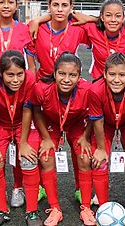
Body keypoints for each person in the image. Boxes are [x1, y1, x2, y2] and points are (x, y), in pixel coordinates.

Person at [29, 53, 96, 225]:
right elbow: (36, 110)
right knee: (45, 156)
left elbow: (95, 114)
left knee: (85, 155)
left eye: (72, 75)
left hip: (77, 122)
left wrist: (86, 136)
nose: (66, 79)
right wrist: (45, 137)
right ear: (54, 73)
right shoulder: (41, 88)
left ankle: (86, 207)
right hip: (51, 122)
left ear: (80, 77)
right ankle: (55, 208)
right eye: (62, 74)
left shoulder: (88, 90)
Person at [0, 49, 43, 225]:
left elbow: (27, 110)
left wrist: (22, 142)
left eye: (19, 74)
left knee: (28, 158)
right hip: (0, 124)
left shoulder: (30, 79)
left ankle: (31, 211)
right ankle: (1, 210)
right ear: (1, 73)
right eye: (10, 75)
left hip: (22, 123)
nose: (15, 80)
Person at [88, 53, 125, 224]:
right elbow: (97, 121)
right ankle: (103, 207)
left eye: (122, 75)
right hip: (105, 123)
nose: (116, 79)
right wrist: (100, 148)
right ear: (104, 74)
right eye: (112, 74)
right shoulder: (95, 90)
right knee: (98, 160)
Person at [27, 0, 125, 79]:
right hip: (99, 81)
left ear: (123, 17)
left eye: (118, 16)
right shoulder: (91, 29)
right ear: (102, 16)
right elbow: (63, 16)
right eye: (108, 15)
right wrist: (37, 20)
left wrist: (93, 19)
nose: (113, 19)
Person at [25, 0, 89, 79]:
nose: (60, 9)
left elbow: (105, 22)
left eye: (64, 5)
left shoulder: (78, 28)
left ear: (71, 7)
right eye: (55, 5)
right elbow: (31, 66)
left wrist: (91, 18)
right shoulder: (37, 27)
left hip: (67, 82)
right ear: (49, 6)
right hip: (43, 81)